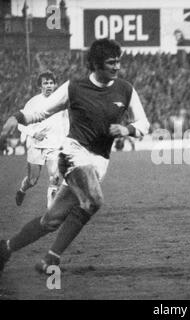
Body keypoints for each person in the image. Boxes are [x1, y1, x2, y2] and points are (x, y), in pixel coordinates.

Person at [0, 38, 150, 275]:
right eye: (111, 63)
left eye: (118, 62)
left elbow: (144, 122)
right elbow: (42, 111)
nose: (117, 67)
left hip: (99, 161)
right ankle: (52, 258)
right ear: (96, 64)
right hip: (72, 154)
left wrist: (128, 129)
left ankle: (5, 248)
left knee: (51, 220)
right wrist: (16, 118)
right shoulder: (74, 87)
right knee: (95, 201)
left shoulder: (126, 89)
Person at [16, 71, 69, 208]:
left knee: (55, 178)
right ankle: (22, 190)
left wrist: (67, 139)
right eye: (46, 83)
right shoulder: (33, 102)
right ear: (40, 86)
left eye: (51, 83)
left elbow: (66, 122)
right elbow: (20, 124)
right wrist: (33, 133)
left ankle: (50, 212)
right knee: (32, 180)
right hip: (36, 145)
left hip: (54, 145)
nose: (49, 85)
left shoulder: (61, 102)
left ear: (55, 85)